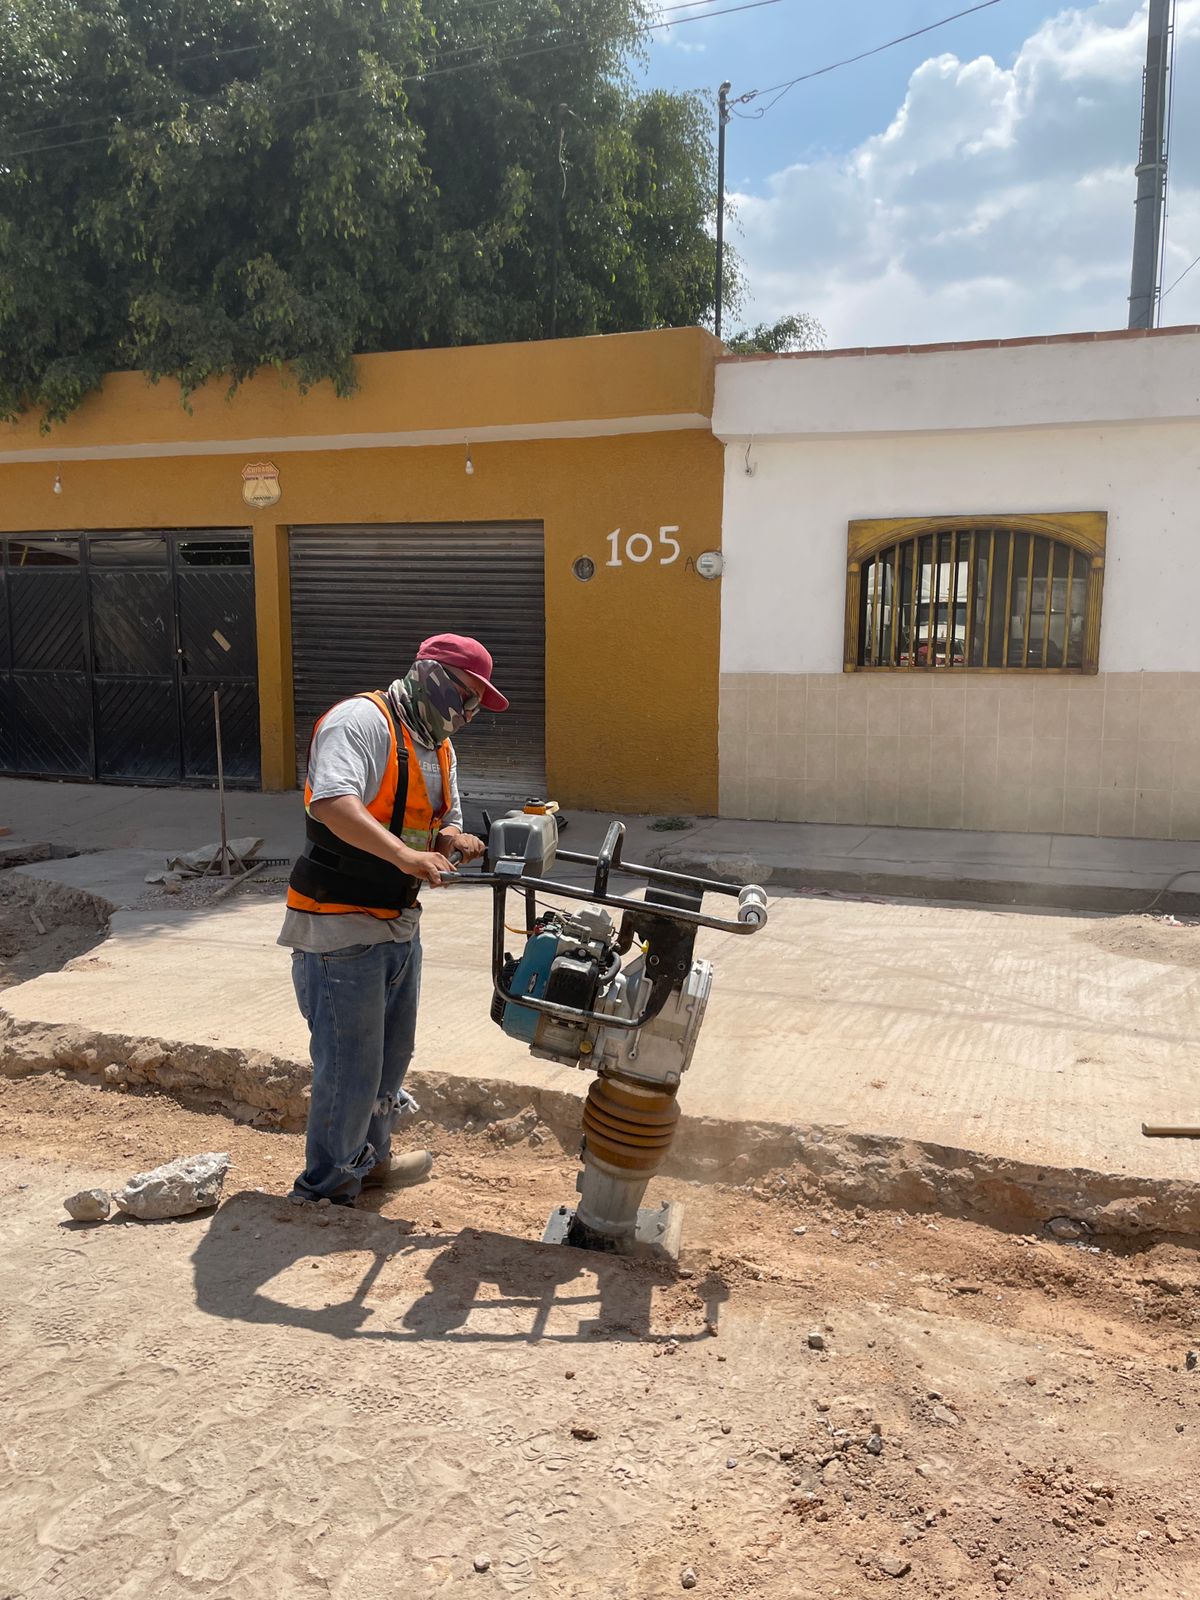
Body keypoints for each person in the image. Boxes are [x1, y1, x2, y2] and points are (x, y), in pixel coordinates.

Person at [279, 633, 508, 1205]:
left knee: (389, 1060)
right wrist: (407, 856)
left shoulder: (438, 746)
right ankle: (325, 1191)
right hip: (339, 924)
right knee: (350, 1066)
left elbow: (441, 819)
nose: (473, 712)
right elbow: (332, 802)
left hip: (399, 921)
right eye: (470, 696)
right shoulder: (360, 721)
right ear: (434, 677)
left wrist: (454, 839)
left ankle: (371, 1163)